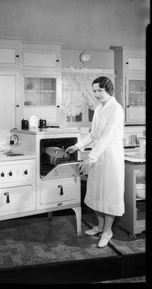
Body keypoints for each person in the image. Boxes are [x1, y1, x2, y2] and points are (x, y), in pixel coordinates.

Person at [66, 76, 125, 248]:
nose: (96, 94)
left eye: (99, 90)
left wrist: (91, 157)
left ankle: (107, 231)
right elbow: (93, 135)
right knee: (96, 193)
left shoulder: (116, 109)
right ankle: (99, 226)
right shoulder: (99, 108)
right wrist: (77, 146)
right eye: (94, 91)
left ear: (109, 90)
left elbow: (107, 136)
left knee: (108, 195)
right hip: (98, 154)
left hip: (110, 157)